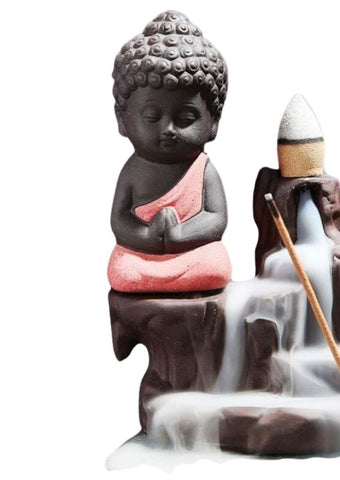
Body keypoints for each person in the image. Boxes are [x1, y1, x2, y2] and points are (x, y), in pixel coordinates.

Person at [108, 11, 231, 293]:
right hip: (142, 256)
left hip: (192, 254)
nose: (169, 130)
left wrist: (181, 234)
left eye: (186, 118)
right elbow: (120, 219)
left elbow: (216, 217)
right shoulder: (133, 169)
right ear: (122, 120)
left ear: (213, 122)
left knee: (215, 266)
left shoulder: (202, 169)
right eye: (152, 117)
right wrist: (147, 236)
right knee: (123, 270)